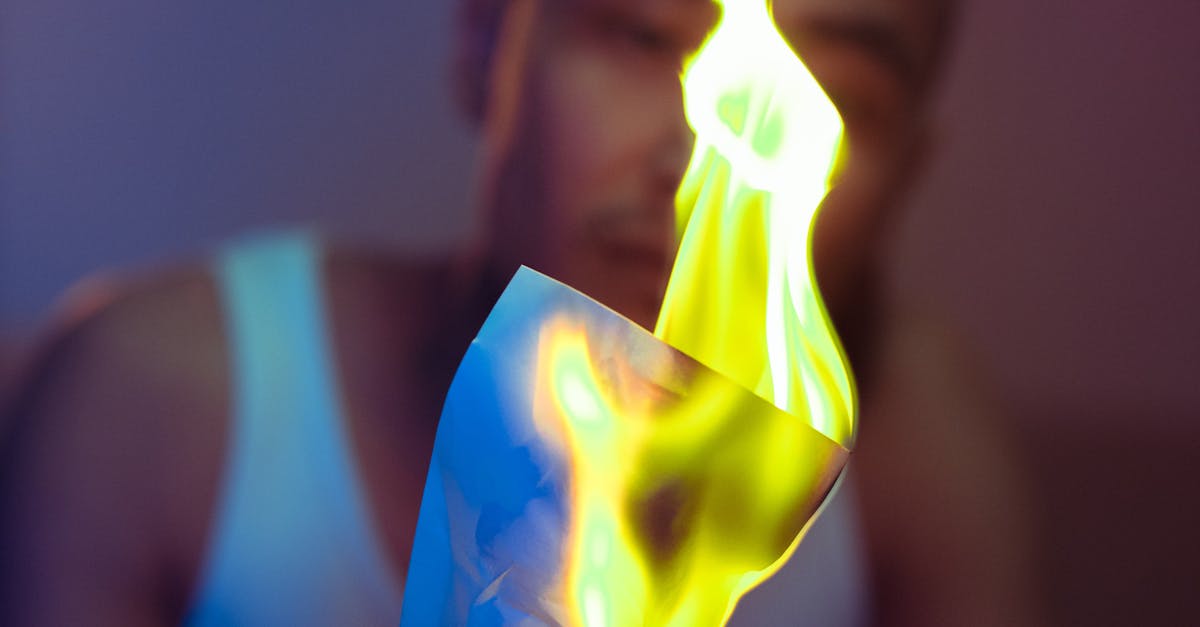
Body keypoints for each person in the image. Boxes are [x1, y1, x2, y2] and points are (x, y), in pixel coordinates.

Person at [0, 0, 1042, 625]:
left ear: (908, 168)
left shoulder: (917, 449)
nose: (703, 170)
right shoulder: (156, 399)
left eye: (833, 98)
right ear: (487, 42)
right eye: (642, 36)